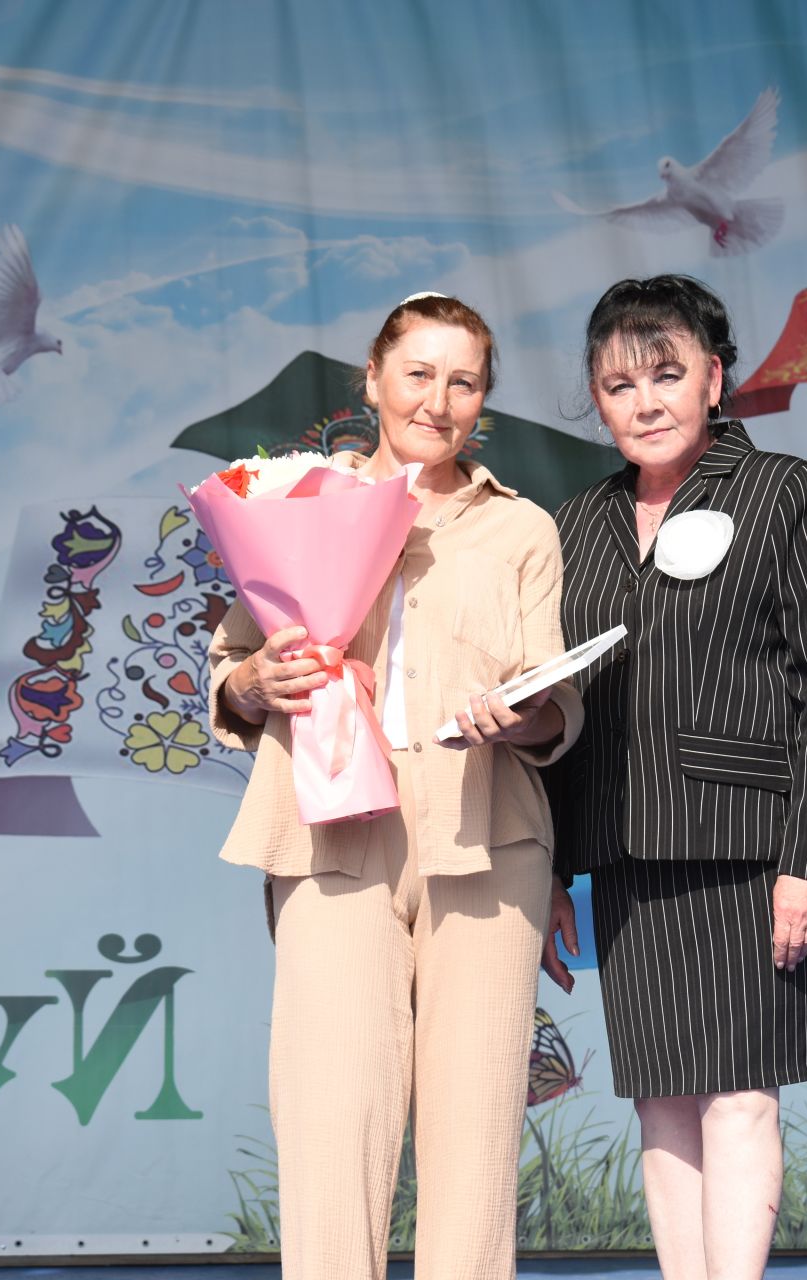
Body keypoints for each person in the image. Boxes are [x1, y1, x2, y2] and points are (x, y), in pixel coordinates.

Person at [206, 292, 583, 1279]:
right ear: (371, 380)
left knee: (475, 1136)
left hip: (487, 833)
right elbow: (233, 668)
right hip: (334, 830)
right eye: (418, 373)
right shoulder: (297, 503)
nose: (437, 400)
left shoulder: (522, 529)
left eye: (464, 382)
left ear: (484, 400)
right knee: (333, 1120)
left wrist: (528, 713)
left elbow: (556, 697)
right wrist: (255, 683)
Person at [540, 275, 807, 1279]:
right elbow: (557, 707)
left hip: (749, 850)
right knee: (662, 1102)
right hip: (621, 852)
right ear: (596, 400)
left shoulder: (787, 491)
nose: (644, 403)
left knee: (739, 1096)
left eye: (667, 375)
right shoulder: (575, 523)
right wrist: (553, 867)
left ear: (715, 379)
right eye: (619, 385)